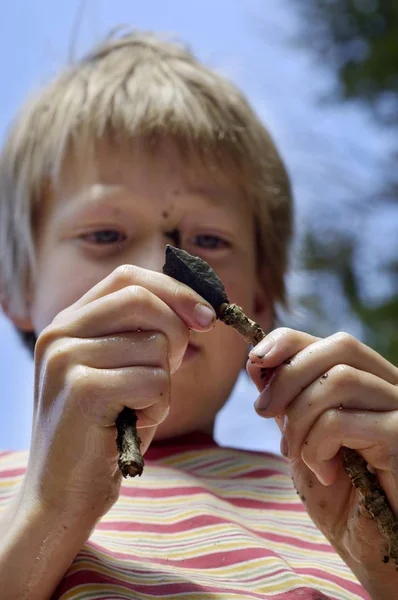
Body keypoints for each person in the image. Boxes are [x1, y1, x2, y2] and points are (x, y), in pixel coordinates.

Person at [0, 29, 396, 600]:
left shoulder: (346, 490)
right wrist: (48, 510)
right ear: (15, 288)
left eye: (207, 239)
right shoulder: (12, 495)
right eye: (104, 234)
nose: (156, 278)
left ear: (261, 297)